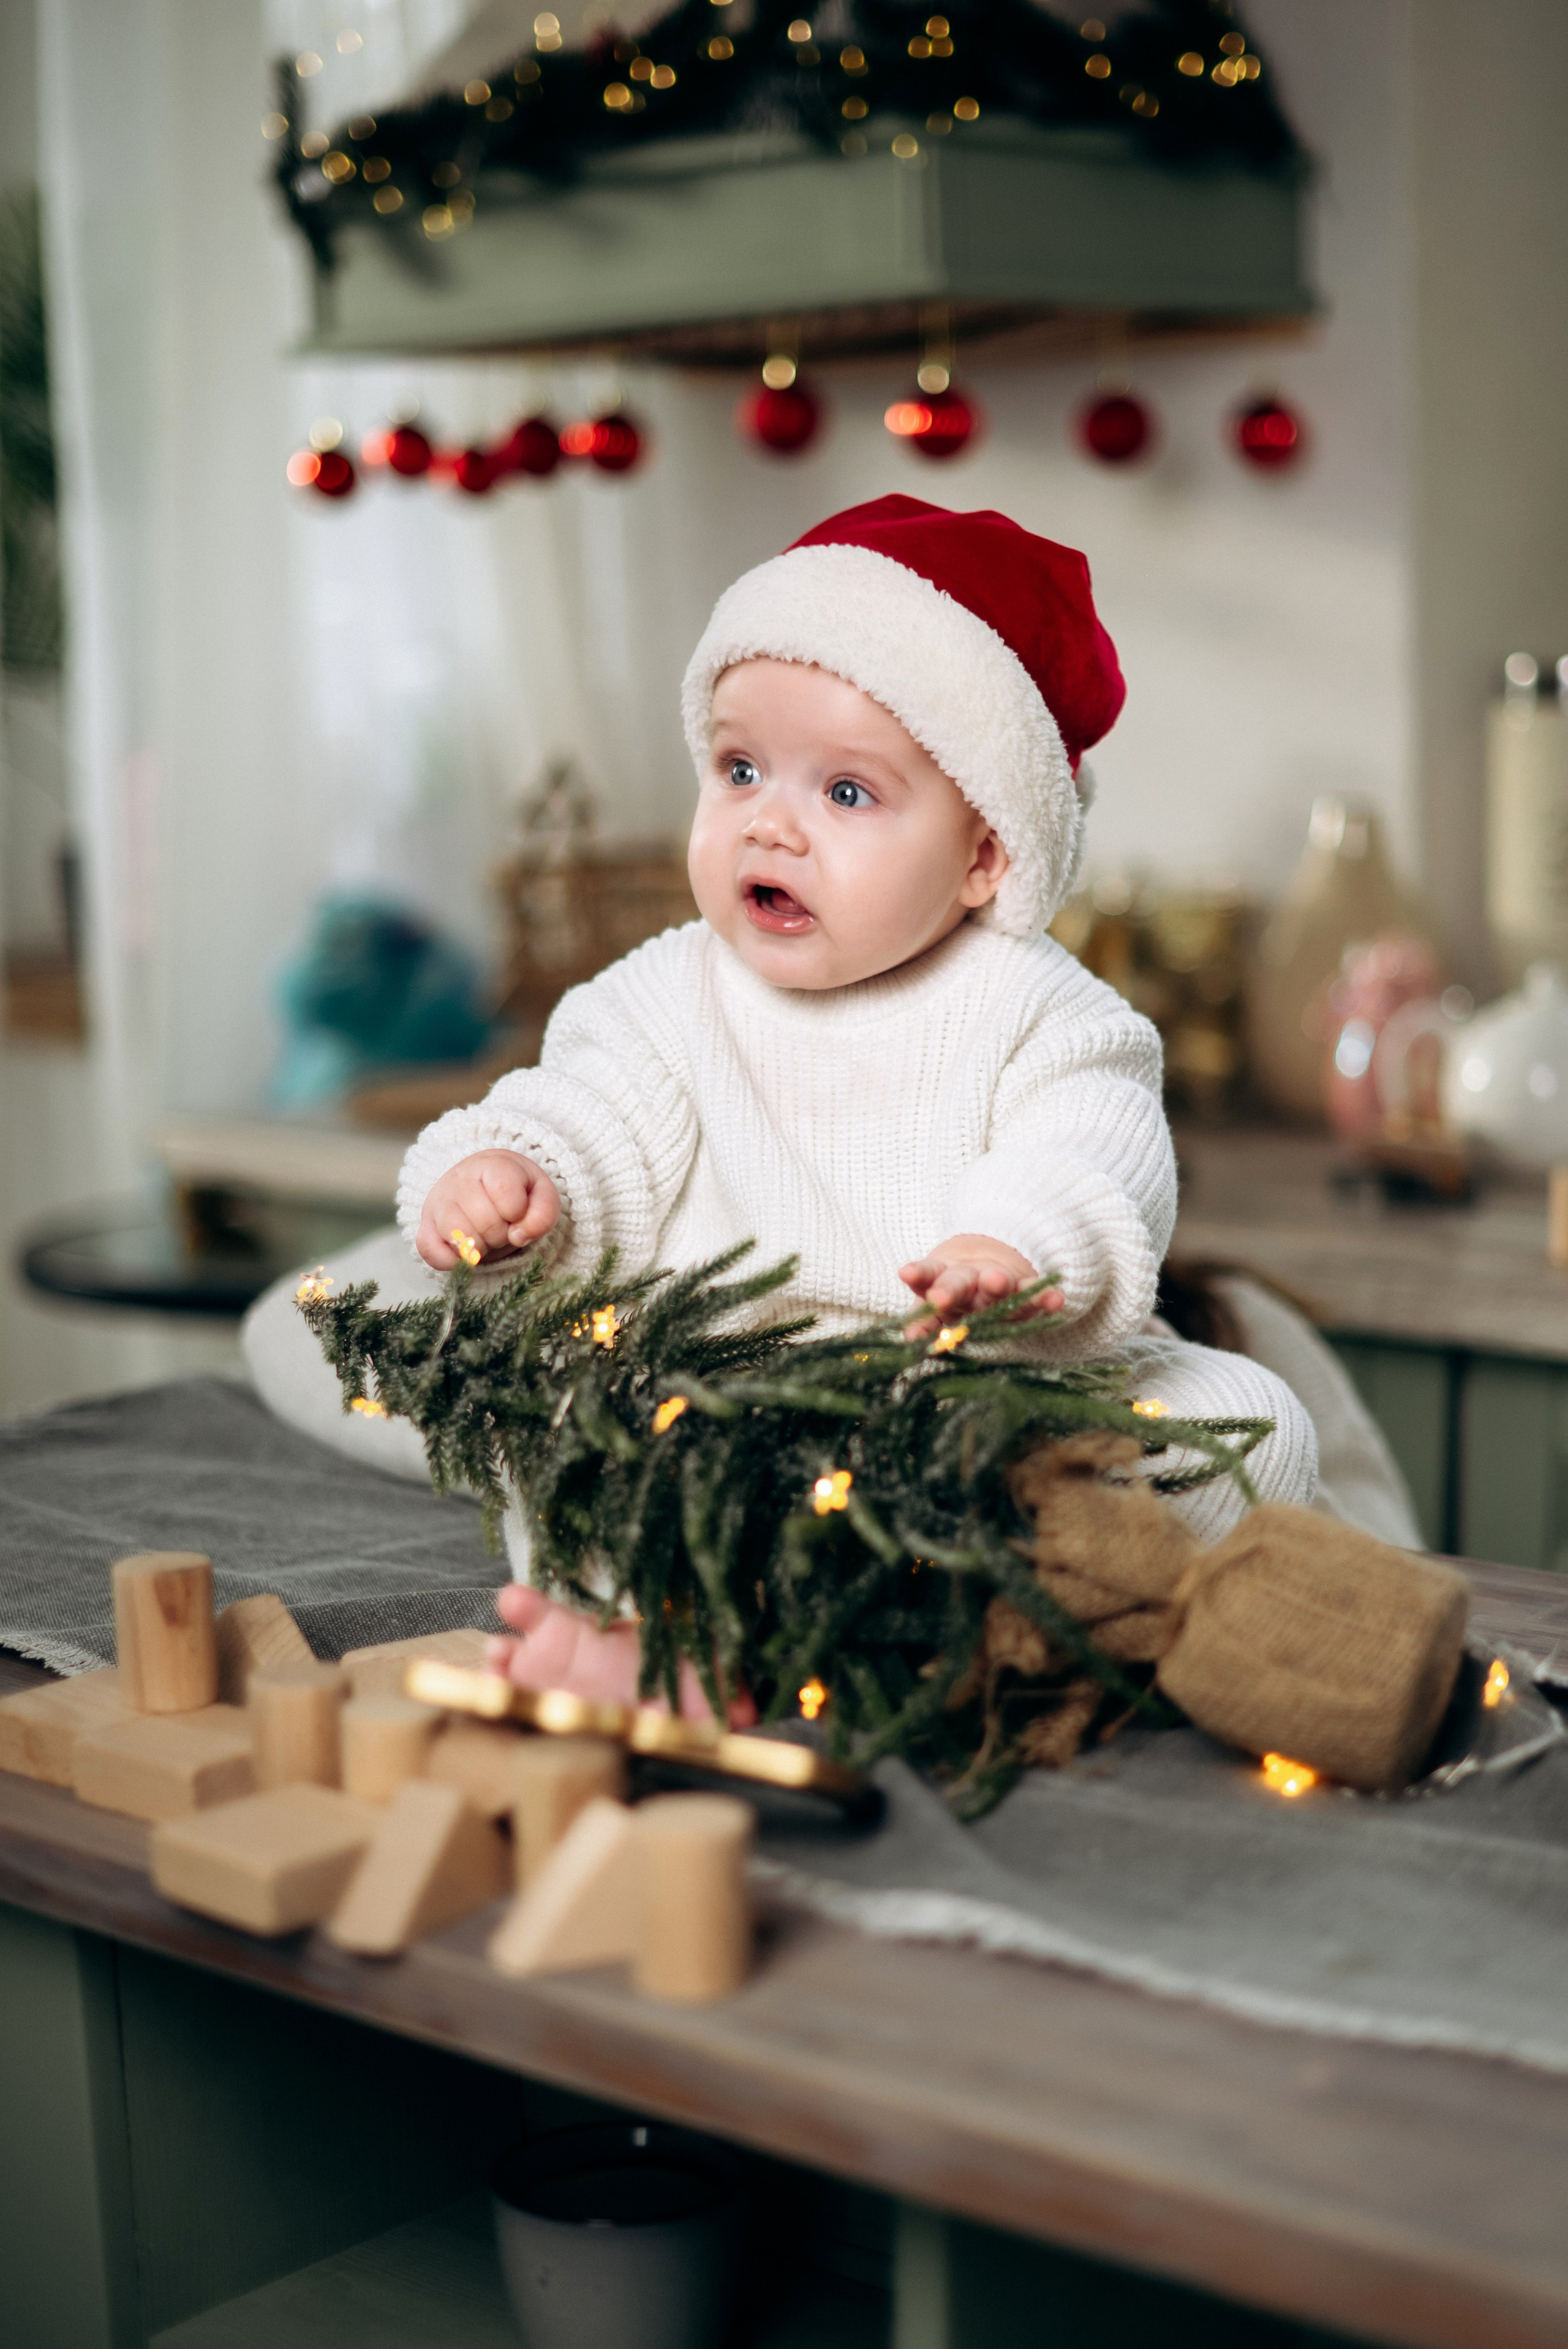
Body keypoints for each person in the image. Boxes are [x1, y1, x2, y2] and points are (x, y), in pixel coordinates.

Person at [245, 496, 1318, 1714]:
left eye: (846, 794)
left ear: (986, 856)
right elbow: (585, 1111)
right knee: (588, 1438)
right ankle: (712, 1634)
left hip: (969, 1405)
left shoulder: (1045, 1012)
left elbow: (1087, 1150)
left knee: (1249, 1422)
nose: (767, 819)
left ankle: (879, 1625)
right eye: (740, 767)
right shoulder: (664, 992)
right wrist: (512, 1170)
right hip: (727, 1397)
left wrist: (1019, 1252)